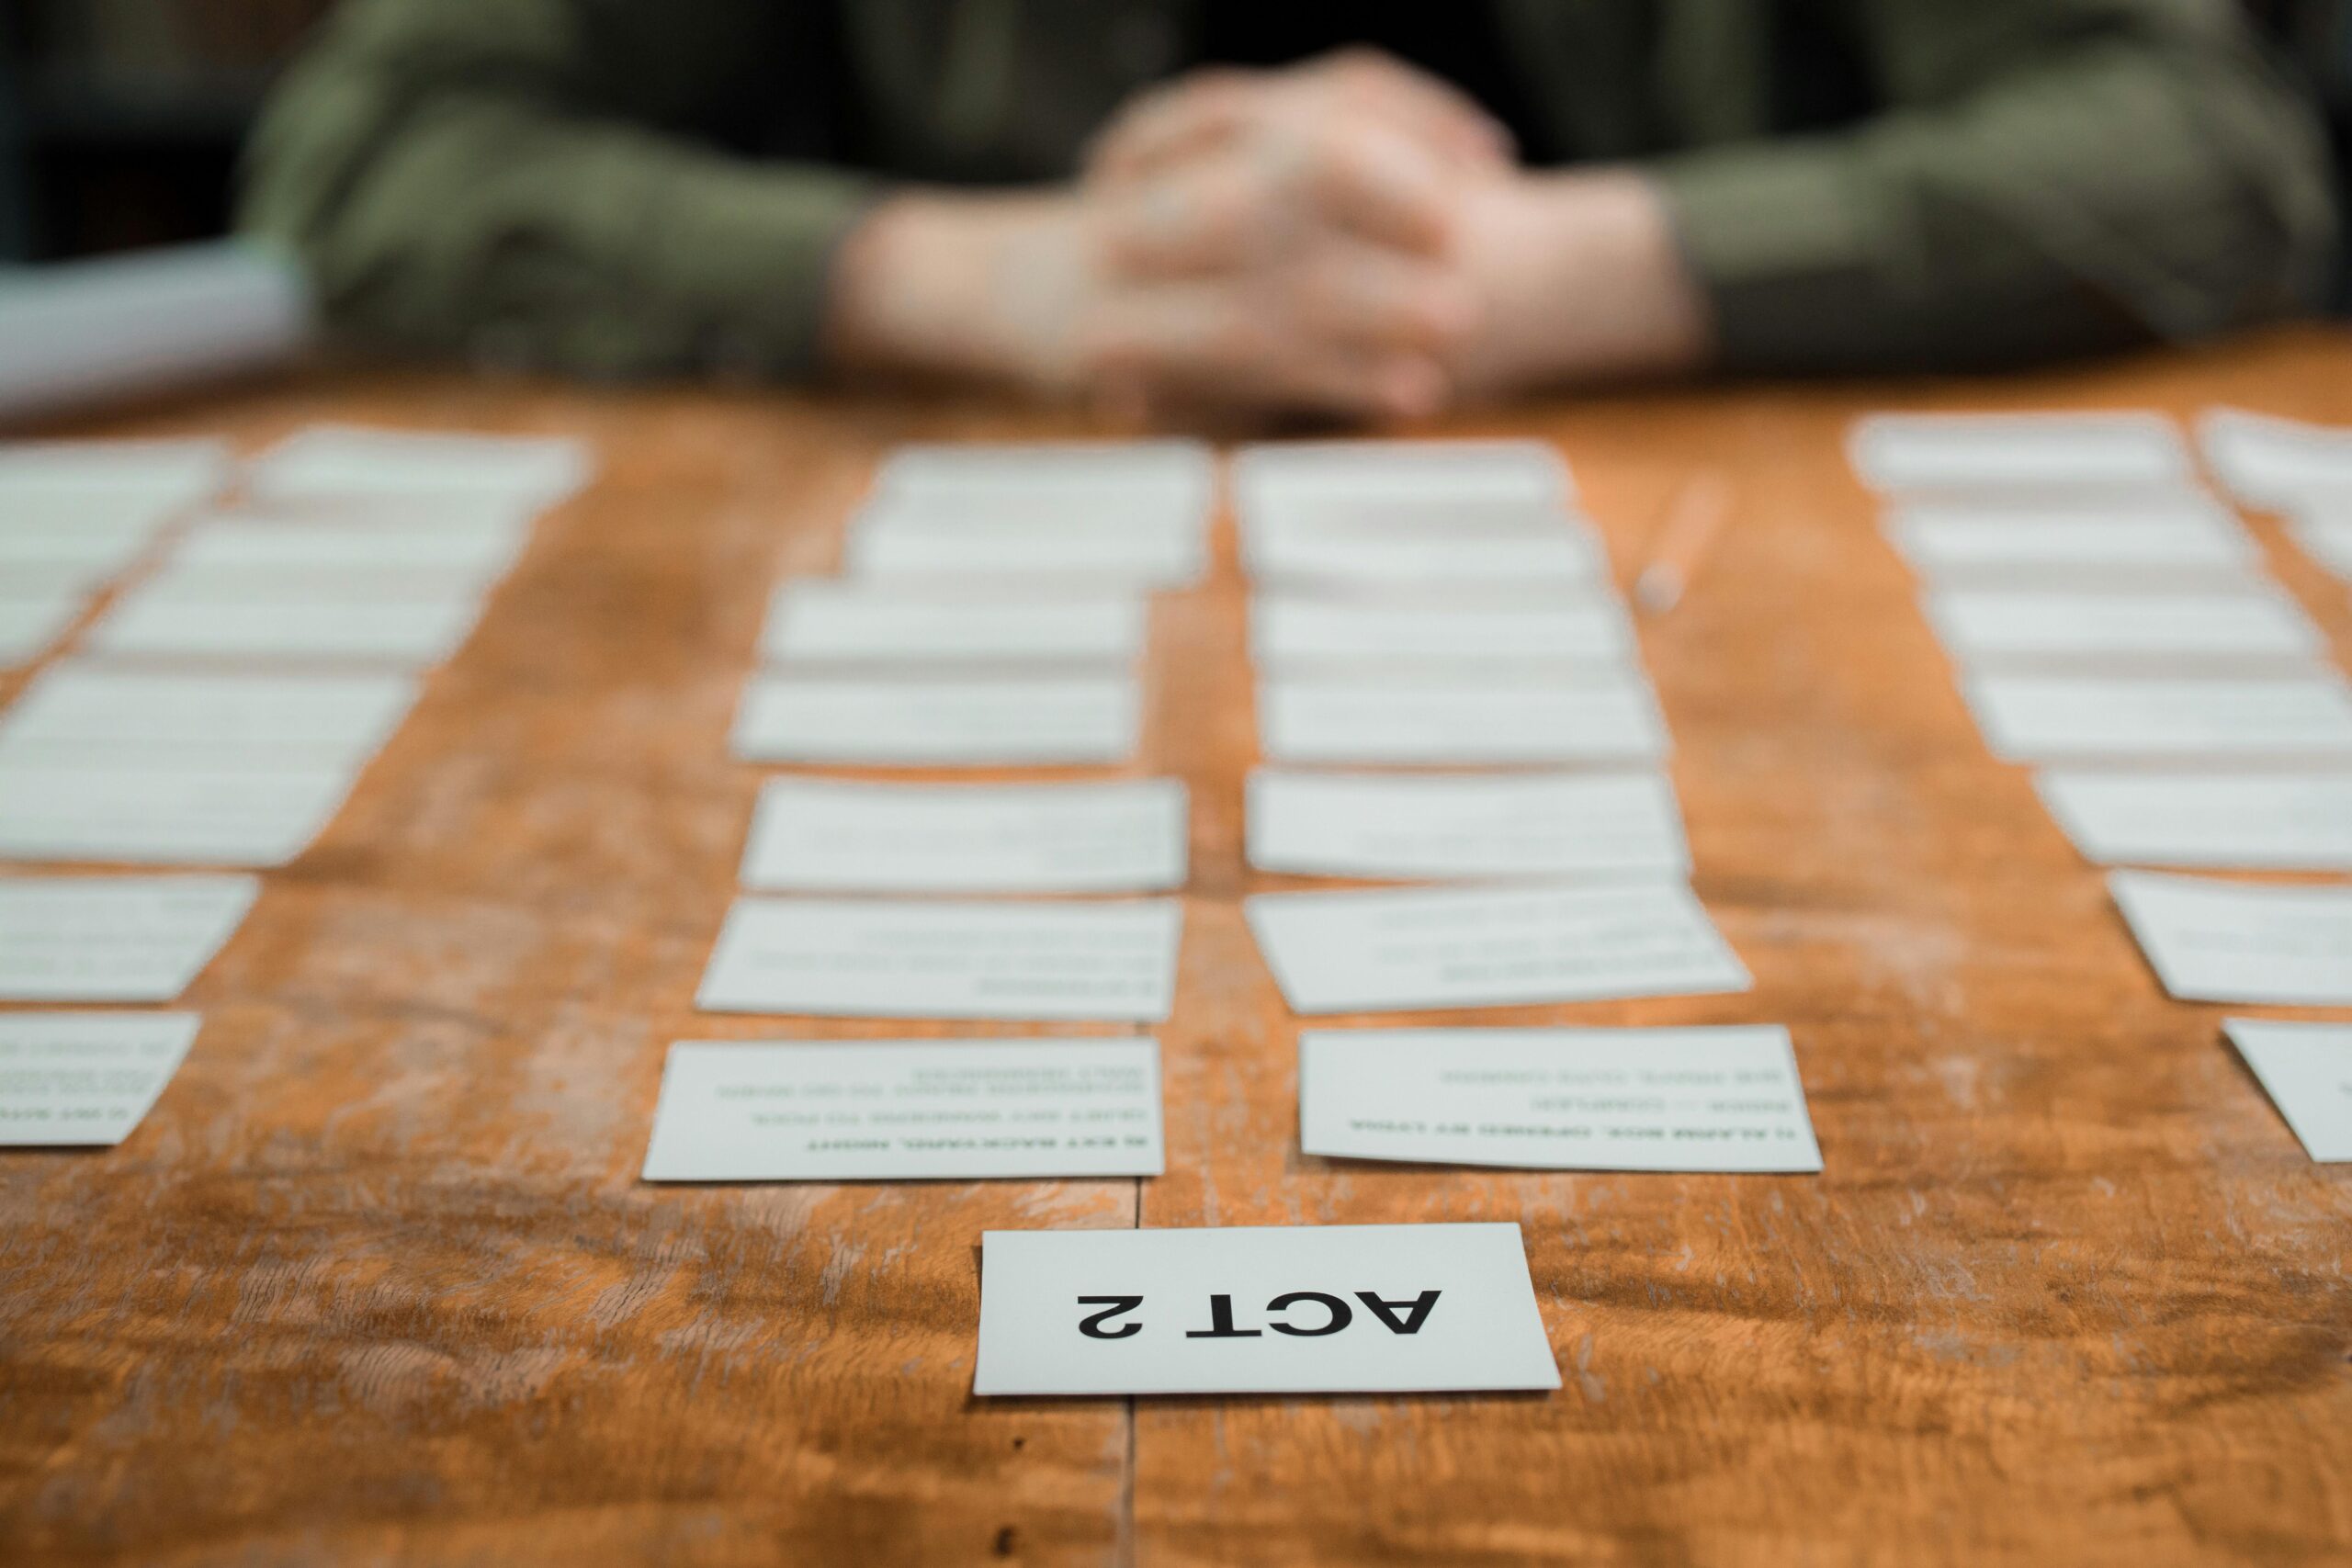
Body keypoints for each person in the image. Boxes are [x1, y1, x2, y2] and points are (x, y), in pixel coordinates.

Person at [240, 1, 2340, 425]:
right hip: (1018, 524)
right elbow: (371, 142)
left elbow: (2205, 140)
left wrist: (1563, 275)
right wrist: (976, 279)